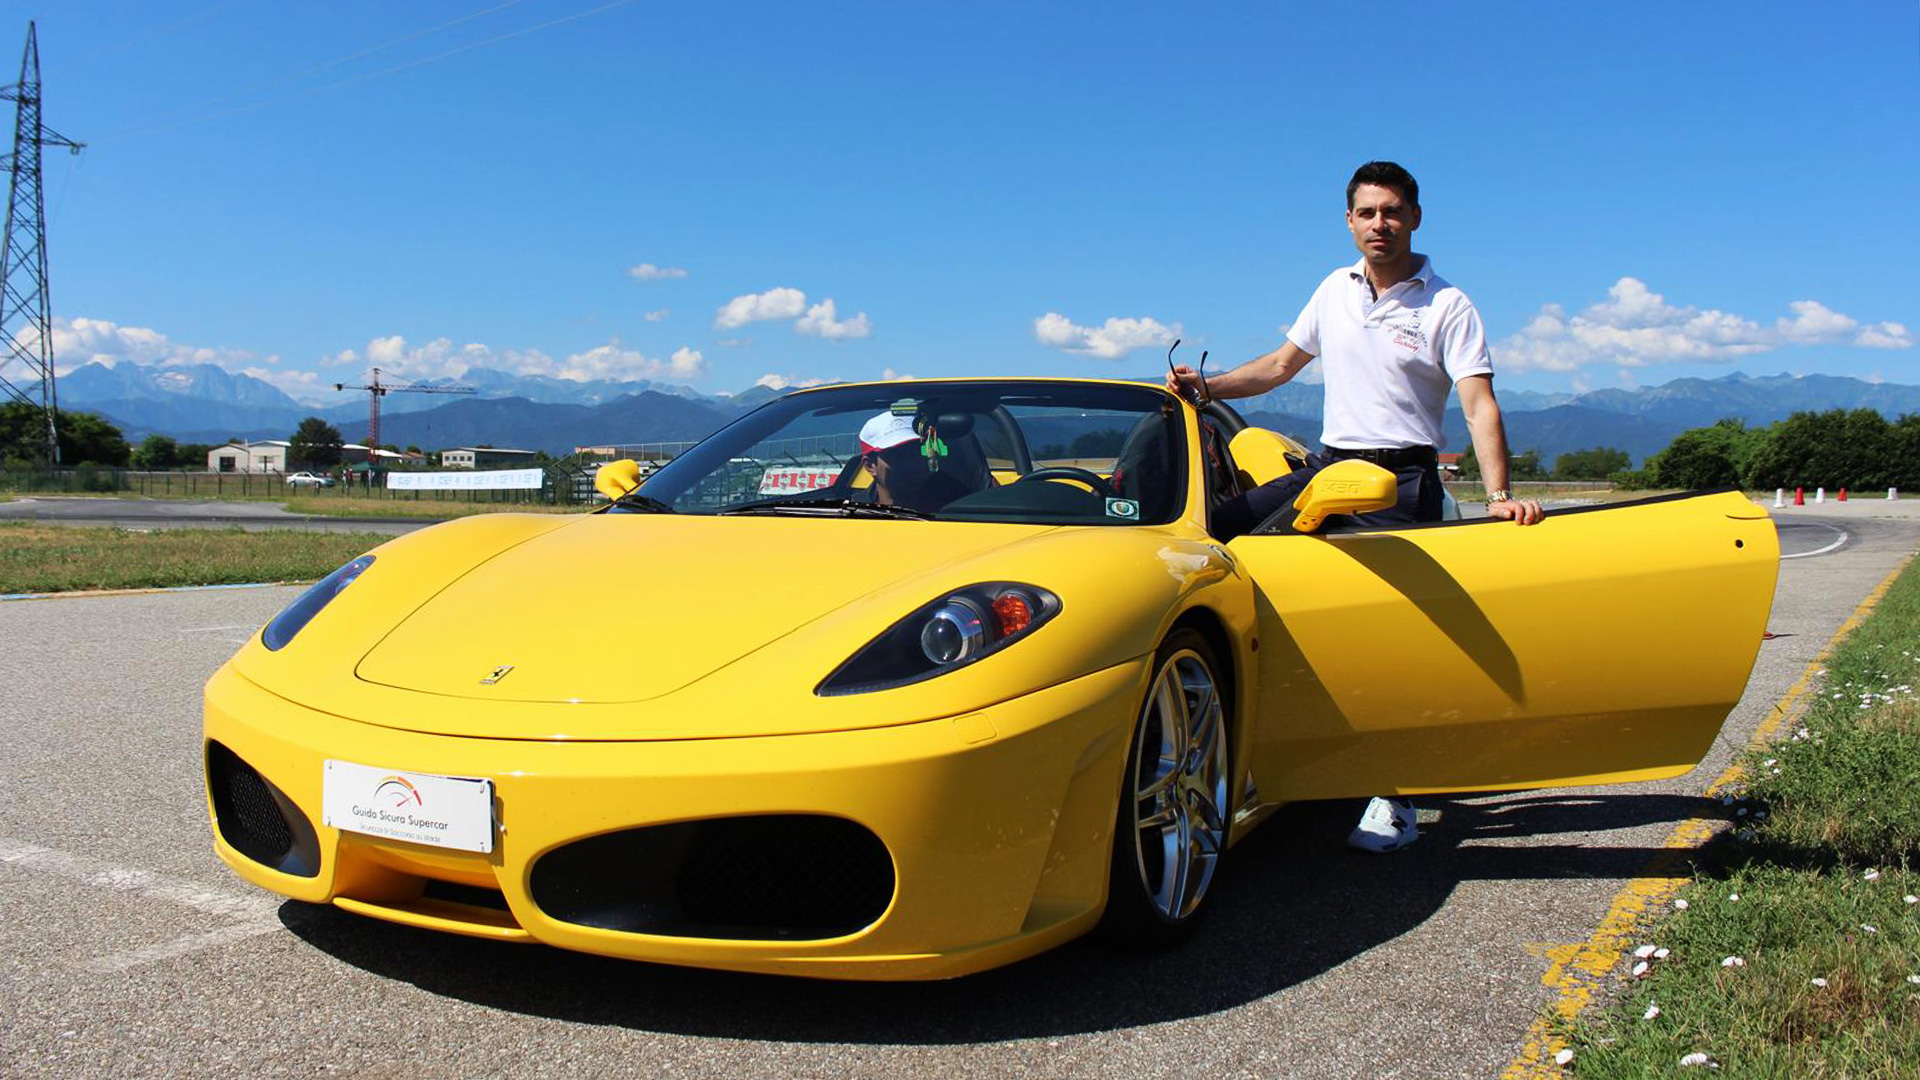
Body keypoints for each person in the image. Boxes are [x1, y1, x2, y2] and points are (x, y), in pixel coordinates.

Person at [1167, 160, 1544, 853]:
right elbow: (1280, 366)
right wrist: (1208, 387)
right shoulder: (1332, 289)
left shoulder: (1448, 304)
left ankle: (1395, 796)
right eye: (1367, 213)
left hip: (1400, 480)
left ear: (1415, 218)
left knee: (1391, 638)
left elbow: (1478, 403)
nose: (1380, 224)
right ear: (1348, 221)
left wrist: (1498, 497)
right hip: (1329, 468)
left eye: (1393, 211)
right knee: (1210, 538)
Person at [857, 411, 971, 513]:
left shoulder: (956, 501)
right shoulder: (853, 512)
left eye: (914, 451)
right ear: (870, 466)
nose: (911, 463)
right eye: (898, 456)